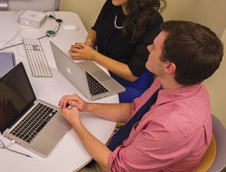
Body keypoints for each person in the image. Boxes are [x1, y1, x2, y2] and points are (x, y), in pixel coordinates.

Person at [60, 21, 223, 171]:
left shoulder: (171, 126)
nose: (148, 48)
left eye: (154, 47)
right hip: (127, 149)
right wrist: (87, 107)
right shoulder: (176, 82)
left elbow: (117, 167)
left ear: (169, 67)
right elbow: (135, 109)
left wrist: (77, 124)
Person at [69, 0, 166, 102]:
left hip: (129, 84)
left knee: (78, 97)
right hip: (103, 70)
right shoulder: (113, 3)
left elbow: (132, 74)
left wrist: (93, 55)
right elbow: (96, 28)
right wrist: (88, 44)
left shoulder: (153, 21)